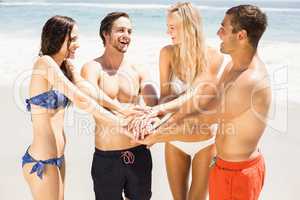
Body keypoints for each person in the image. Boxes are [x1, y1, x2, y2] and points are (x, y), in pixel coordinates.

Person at [139, 4, 271, 200]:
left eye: (223, 29)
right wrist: (157, 111)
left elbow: (204, 118)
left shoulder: (249, 80)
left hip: (239, 173)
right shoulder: (231, 69)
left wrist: (155, 136)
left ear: (241, 36)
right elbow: (200, 102)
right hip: (222, 166)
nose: (218, 33)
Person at [22, 15, 125, 200]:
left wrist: (123, 109)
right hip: (41, 160)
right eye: (74, 39)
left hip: (58, 158)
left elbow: (88, 92)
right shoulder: (44, 63)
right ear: (59, 38)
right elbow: (79, 99)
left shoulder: (66, 66)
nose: (77, 44)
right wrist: (120, 123)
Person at [129, 2, 225, 199]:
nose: (168, 32)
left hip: (204, 140)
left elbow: (195, 94)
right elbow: (166, 98)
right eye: (168, 27)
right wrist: (151, 121)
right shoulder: (167, 53)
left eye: (172, 27)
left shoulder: (214, 56)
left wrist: (159, 110)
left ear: (188, 26)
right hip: (174, 138)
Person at [80, 12, 157, 200]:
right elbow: (87, 97)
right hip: (107, 157)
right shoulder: (92, 68)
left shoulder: (138, 69)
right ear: (106, 34)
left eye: (129, 31)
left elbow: (154, 105)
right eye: (120, 30)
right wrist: (120, 109)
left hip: (139, 153)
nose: (127, 35)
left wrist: (156, 124)